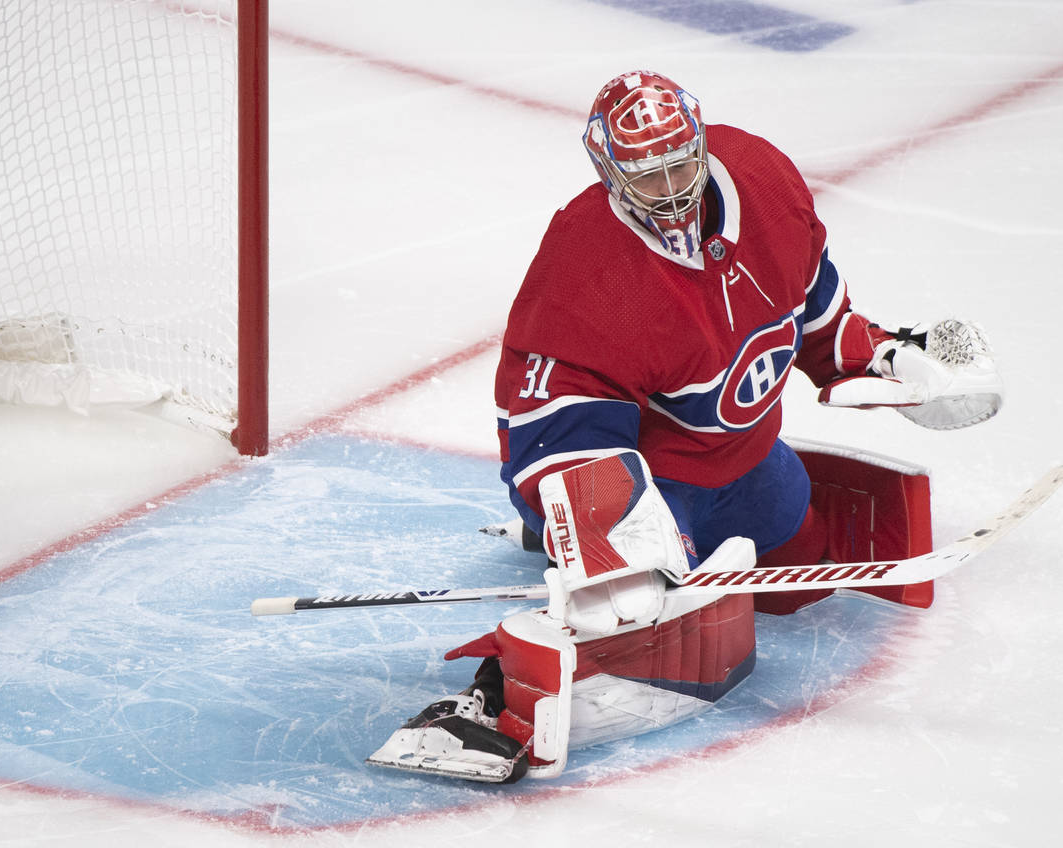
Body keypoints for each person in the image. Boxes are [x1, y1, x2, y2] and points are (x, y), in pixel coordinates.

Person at [368, 70, 1003, 784]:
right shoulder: (584, 267)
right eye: (647, 177)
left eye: (680, 165)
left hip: (748, 457)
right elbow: (550, 424)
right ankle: (484, 704)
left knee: (798, 569)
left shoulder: (763, 180)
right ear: (608, 171)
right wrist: (603, 528)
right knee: (633, 612)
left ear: (701, 143)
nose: (670, 191)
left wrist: (887, 357)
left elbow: (813, 311)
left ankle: (610, 555)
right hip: (656, 475)